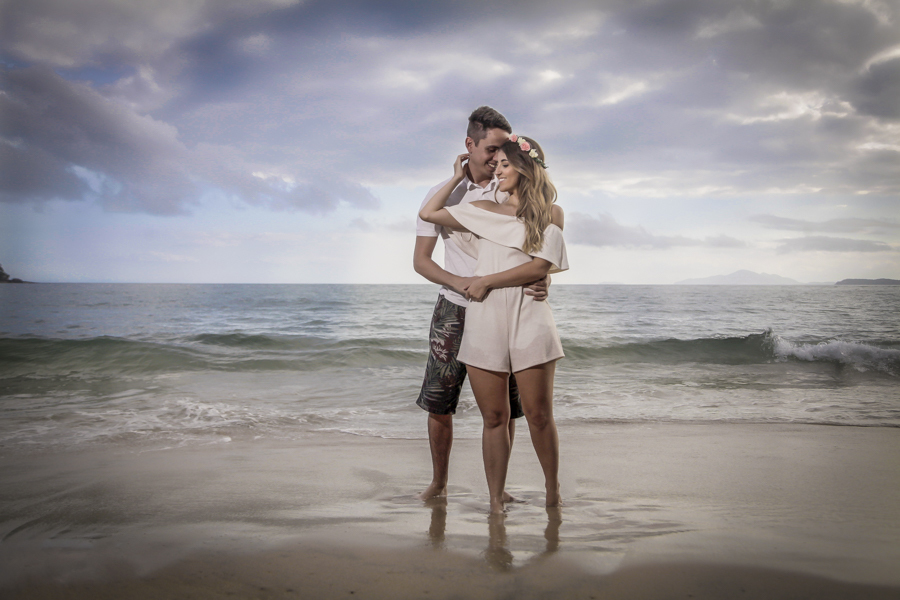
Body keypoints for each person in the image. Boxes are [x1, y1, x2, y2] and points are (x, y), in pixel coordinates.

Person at [419, 135, 567, 514]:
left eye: (504, 164)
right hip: (484, 316)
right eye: (495, 163)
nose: (497, 170)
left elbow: (539, 266)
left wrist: (488, 281)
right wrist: (455, 177)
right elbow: (429, 214)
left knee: (537, 414)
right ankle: (495, 500)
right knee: (495, 418)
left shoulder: (552, 213)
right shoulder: (482, 207)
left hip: (529, 314)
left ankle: (553, 492)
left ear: (525, 166)